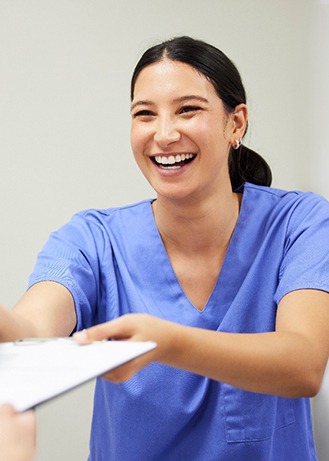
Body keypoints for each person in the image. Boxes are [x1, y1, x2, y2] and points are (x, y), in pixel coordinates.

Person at [1, 36, 329, 460]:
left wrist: (165, 343)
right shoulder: (92, 238)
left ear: (236, 123)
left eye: (188, 109)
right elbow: (31, 327)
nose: (165, 134)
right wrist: (10, 330)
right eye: (145, 114)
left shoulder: (298, 223)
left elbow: (303, 364)